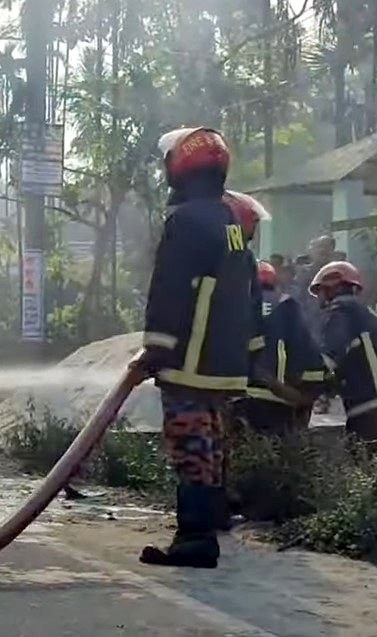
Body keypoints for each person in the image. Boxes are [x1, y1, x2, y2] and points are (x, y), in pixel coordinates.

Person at [134, 126, 259, 569]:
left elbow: (170, 290)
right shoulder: (230, 221)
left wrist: (156, 347)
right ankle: (212, 522)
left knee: (190, 444)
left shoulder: (186, 221)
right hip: (222, 361)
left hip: (190, 358)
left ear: (179, 167)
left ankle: (195, 539)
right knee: (210, 442)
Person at [311, 261, 377, 443]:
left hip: (375, 404)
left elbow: (329, 355)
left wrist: (309, 383)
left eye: (319, 291)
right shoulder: (362, 313)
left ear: (332, 287)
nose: (318, 298)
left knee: (367, 455)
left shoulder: (342, 307)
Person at [235, 261, 327, 434]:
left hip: (237, 396)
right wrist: (308, 392)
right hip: (278, 399)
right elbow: (306, 351)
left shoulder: (235, 303)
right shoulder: (287, 304)